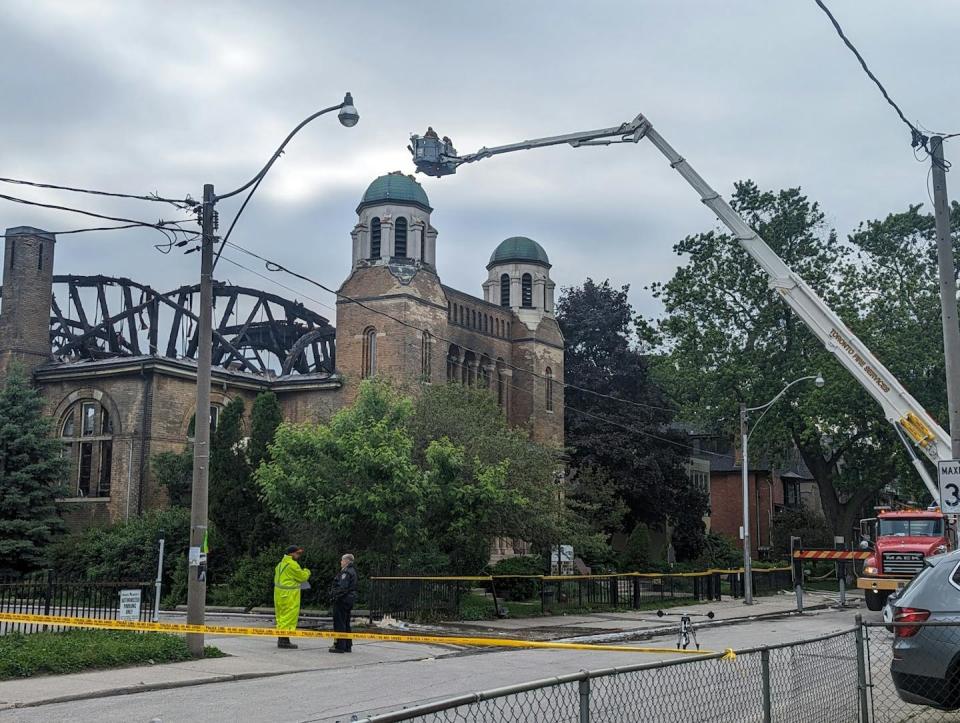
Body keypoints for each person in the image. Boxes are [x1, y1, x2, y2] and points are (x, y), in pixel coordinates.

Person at [274, 545, 310, 649]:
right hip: (289, 595)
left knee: (281, 618)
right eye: (297, 553)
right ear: (291, 554)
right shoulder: (292, 565)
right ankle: (284, 641)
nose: (299, 555)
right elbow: (302, 577)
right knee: (288, 617)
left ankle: (282, 639)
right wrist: (307, 571)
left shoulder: (280, 564)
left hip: (279, 595)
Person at [329, 553, 358, 653]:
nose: (340, 562)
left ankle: (340, 646)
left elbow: (342, 588)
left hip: (342, 600)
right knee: (345, 623)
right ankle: (347, 645)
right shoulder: (352, 571)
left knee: (339, 623)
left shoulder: (346, 573)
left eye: (342, 560)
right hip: (348, 600)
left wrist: (334, 597)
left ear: (346, 561)